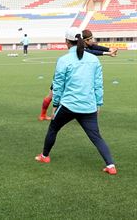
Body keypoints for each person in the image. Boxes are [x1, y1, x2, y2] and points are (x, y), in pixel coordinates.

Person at [35, 27, 116, 175]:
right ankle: (111, 165)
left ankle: (44, 156)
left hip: (68, 105)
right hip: (89, 106)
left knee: (53, 128)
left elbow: (58, 85)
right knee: (96, 136)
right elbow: (98, 85)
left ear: (67, 42)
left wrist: (55, 105)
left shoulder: (64, 60)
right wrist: (98, 103)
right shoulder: (93, 59)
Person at [38, 29, 118, 121]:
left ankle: (49, 114)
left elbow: (96, 48)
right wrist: (107, 53)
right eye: (90, 39)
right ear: (85, 40)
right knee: (52, 94)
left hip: (69, 73)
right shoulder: (81, 48)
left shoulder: (85, 45)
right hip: (65, 73)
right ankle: (45, 114)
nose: (92, 41)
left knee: (56, 94)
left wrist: (109, 49)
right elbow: (91, 52)